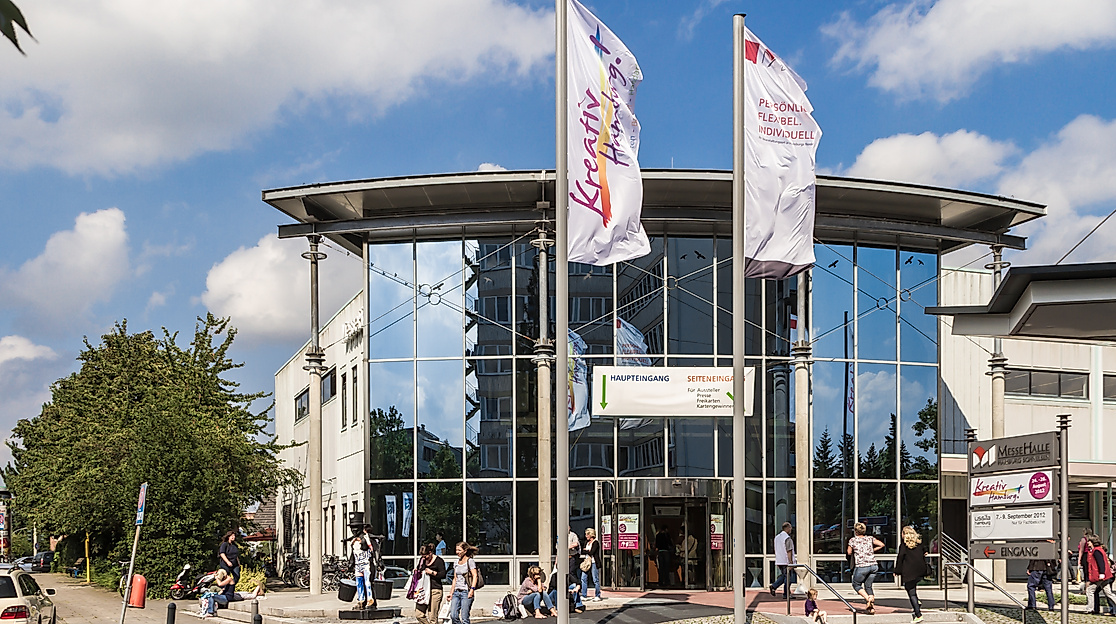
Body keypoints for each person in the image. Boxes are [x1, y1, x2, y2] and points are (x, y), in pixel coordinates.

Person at [847, 522, 884, 614]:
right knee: (868, 586)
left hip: (861, 566)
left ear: (855, 531)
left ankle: (868, 599)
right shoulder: (870, 538)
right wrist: (872, 550)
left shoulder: (853, 540)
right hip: (873, 565)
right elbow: (881, 545)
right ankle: (871, 608)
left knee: (856, 584)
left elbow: (849, 552)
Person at [895, 526, 929, 623]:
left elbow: (900, 558)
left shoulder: (903, 546)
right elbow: (925, 551)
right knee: (912, 587)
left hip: (910, 572)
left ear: (905, 534)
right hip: (920, 571)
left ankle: (918, 615)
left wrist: (897, 571)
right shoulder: (919, 544)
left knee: (911, 592)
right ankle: (917, 602)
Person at [200, 569, 265, 617]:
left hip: (228, 598)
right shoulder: (226, 580)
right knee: (211, 595)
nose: (221, 579)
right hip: (227, 596)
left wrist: (216, 578)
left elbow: (219, 584)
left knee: (212, 597)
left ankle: (210, 612)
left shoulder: (229, 579)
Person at [415, 543, 447, 624]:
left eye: (425, 556)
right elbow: (419, 569)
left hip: (435, 590)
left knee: (432, 616)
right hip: (423, 590)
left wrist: (432, 572)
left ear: (430, 553)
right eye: (422, 556)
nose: (424, 558)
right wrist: (417, 571)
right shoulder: (422, 560)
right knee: (419, 614)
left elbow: (443, 575)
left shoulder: (439, 561)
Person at [448, 541, 479, 624]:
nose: (457, 552)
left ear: (465, 551)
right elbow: (455, 578)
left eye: (459, 550)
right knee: (453, 615)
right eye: (456, 550)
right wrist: (451, 593)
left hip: (466, 591)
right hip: (456, 591)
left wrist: (472, 590)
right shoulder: (456, 562)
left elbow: (475, 576)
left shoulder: (470, 561)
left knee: (465, 617)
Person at [1087, 536, 1116, 615]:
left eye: (1089, 541)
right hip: (1104, 575)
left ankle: (1090, 609)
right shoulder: (1098, 550)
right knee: (1108, 593)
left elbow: (1101, 563)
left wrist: (1102, 573)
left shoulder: (1096, 551)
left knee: (1090, 590)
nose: (1088, 543)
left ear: (1093, 542)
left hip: (1100, 576)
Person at [770, 522, 796, 599]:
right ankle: (786, 593)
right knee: (788, 578)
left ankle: (774, 586)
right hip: (786, 561)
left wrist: (777, 560)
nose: (791, 529)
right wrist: (791, 562)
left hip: (780, 560)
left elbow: (776, 549)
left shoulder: (777, 537)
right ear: (787, 528)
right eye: (790, 528)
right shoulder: (787, 538)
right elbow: (789, 551)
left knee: (784, 576)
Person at [581, 528, 603, 602]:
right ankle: (584, 595)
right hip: (587, 562)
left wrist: (587, 551)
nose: (586, 536)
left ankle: (597, 595)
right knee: (583, 578)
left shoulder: (595, 542)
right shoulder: (586, 542)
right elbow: (582, 551)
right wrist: (587, 551)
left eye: (587, 534)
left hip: (594, 562)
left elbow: (592, 552)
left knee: (595, 579)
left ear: (591, 535)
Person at [351, 535, 372, 610]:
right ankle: (361, 599)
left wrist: (366, 539)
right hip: (358, 566)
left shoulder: (365, 550)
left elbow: (370, 548)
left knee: (367, 583)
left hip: (365, 565)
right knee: (359, 583)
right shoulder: (355, 551)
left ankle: (369, 599)